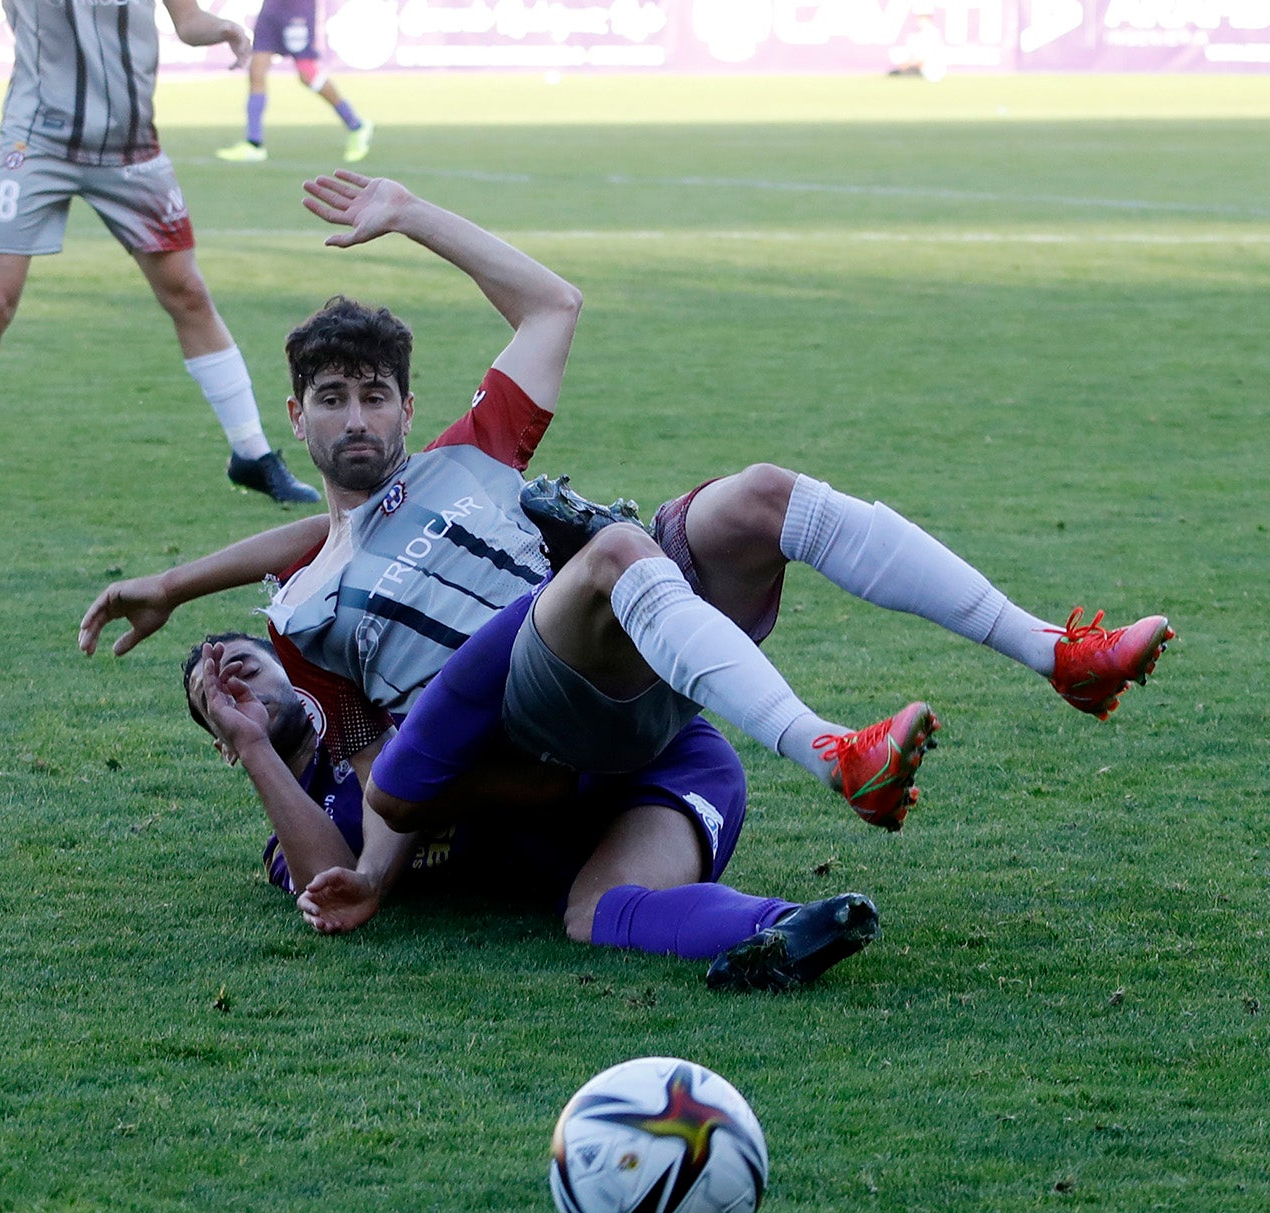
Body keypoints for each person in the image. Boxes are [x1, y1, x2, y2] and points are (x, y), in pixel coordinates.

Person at [82, 171, 1173, 968]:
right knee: (612, 556)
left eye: (376, 395)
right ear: (296, 419)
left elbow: (554, 302)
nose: (358, 416)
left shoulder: (473, 454)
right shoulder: (303, 611)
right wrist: (201, 622)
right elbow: (363, 763)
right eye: (333, 398)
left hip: (646, 709)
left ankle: (1059, 654)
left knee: (757, 494)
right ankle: (834, 753)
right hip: (536, 709)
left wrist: (411, 215)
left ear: (412, 411)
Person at [182, 631, 880, 992]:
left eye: (243, 659)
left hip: (652, 760)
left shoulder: (381, 703)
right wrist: (250, 742)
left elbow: (543, 781)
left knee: (592, 903)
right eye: (211, 693)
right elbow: (333, 879)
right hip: (585, 817)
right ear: (221, 746)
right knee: (593, 911)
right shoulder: (288, 832)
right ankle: (789, 925)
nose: (231, 678)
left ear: (289, 663)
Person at [0, 0, 319, 511]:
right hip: (34, 143)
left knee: (188, 293)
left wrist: (223, 27)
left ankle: (253, 454)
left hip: (130, 151)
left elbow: (188, 21)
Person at [216, 0, 373, 166]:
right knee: (256, 70)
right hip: (271, 9)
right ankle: (254, 144)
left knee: (307, 74)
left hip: (297, 8)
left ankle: (356, 125)